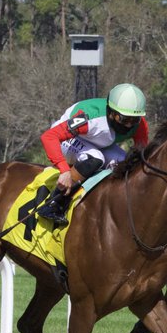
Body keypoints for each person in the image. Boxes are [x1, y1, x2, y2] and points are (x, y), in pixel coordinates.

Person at [35, 83, 149, 227]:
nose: (128, 125)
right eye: (123, 119)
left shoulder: (139, 123)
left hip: (99, 143)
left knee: (126, 162)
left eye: (134, 120)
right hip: (69, 139)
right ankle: (54, 202)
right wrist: (64, 170)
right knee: (96, 158)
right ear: (111, 112)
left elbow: (142, 154)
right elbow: (49, 137)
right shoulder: (90, 119)